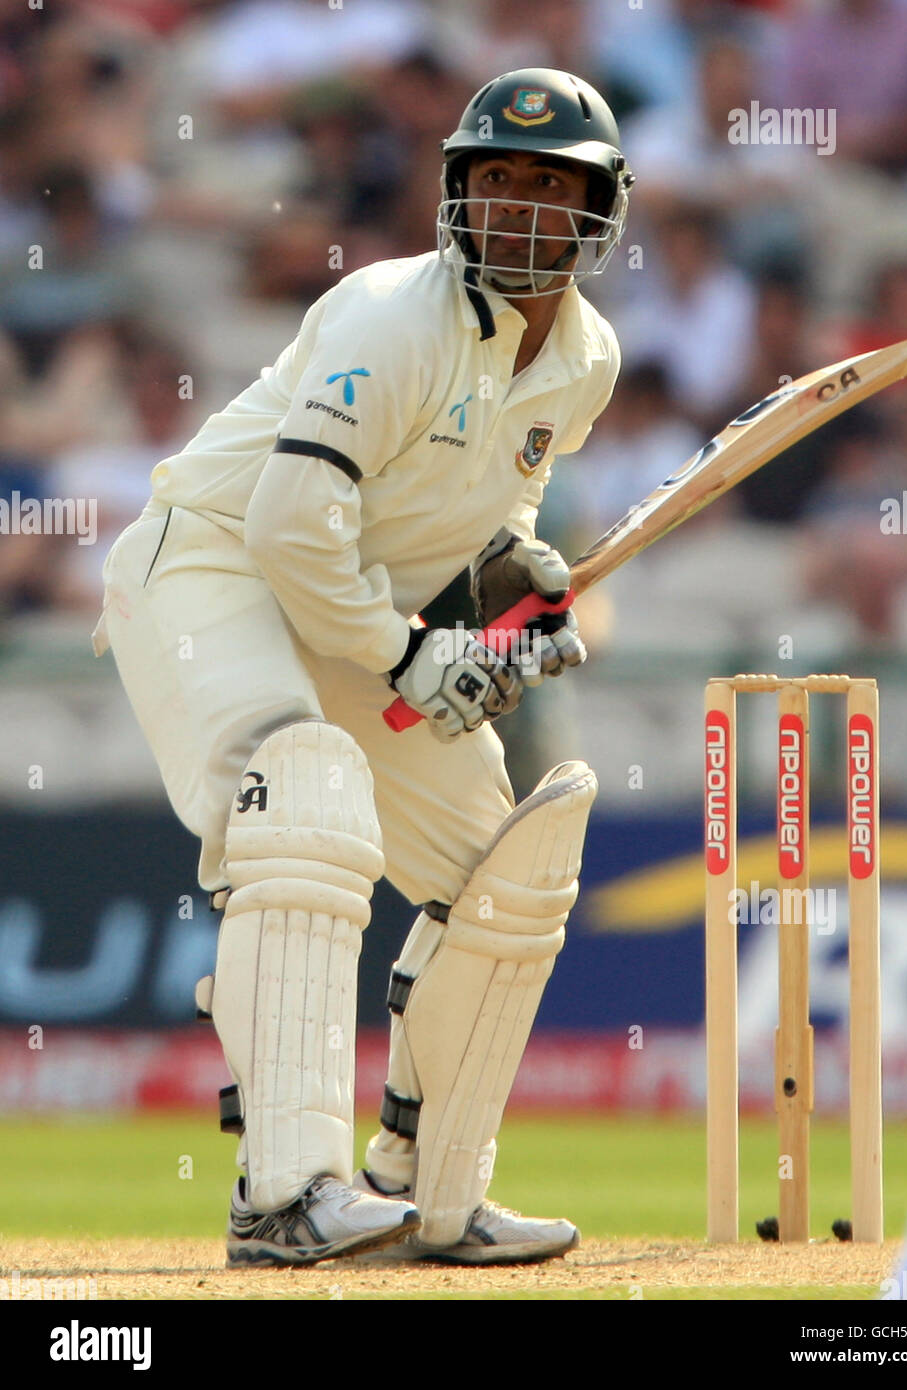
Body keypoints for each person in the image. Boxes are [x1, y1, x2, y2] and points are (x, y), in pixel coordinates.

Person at [93, 68, 632, 1267]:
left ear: (600, 211)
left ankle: (432, 1187)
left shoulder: (584, 361)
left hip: (350, 607)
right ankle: (284, 1192)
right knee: (307, 787)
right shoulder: (391, 314)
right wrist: (410, 653)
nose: (521, 208)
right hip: (213, 567)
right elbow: (289, 524)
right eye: (496, 179)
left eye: (553, 185)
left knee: (506, 864)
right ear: (454, 193)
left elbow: (480, 510)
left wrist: (510, 583)